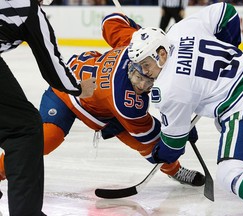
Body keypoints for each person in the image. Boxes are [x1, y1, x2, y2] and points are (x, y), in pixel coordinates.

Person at [127, 2, 243, 216]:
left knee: (230, 170)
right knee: (224, 124)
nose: (144, 72)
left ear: (162, 54)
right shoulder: (179, 30)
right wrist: (230, 52)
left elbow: (174, 145)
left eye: (146, 65)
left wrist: (159, 153)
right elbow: (226, 12)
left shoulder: (169, 89)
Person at [15, 13, 204, 189]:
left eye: (147, 75)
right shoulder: (127, 102)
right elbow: (147, 133)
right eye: (139, 72)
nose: (140, 82)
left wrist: (137, 33)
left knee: (150, 147)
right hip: (67, 92)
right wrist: (178, 128)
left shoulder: (136, 45)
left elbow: (110, 20)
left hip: (105, 106)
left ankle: (174, 170)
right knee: (47, 139)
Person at [0, 0, 96, 215]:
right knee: (23, 130)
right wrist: (78, 89)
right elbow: (51, 63)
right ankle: (27, 212)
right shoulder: (28, 8)